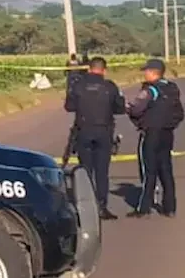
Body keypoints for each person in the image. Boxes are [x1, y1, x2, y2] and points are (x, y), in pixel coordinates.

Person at [63, 56, 124, 220]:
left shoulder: (78, 85)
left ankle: (84, 207)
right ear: (104, 70)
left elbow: (69, 107)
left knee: (85, 170)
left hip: (83, 130)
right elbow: (120, 108)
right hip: (104, 131)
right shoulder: (110, 86)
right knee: (102, 172)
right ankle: (102, 207)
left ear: (89, 68)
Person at [126, 58, 183, 218]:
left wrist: (129, 109)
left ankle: (144, 208)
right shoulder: (172, 88)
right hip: (167, 134)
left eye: (146, 71)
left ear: (153, 72)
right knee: (166, 170)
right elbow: (179, 113)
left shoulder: (150, 90)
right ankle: (170, 208)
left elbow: (136, 109)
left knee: (148, 171)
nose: (144, 74)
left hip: (151, 134)